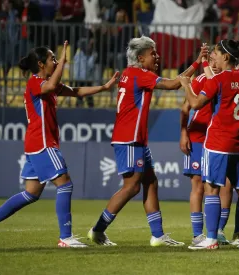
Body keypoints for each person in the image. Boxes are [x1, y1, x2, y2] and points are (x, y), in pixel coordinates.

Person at [0, 41, 119, 247]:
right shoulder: (35, 82)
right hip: (42, 143)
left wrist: (104, 87)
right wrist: (63, 62)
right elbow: (51, 85)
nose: (55, 61)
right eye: (52, 58)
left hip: (36, 144)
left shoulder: (48, 85)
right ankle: (65, 237)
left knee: (31, 193)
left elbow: (76, 91)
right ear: (41, 64)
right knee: (65, 183)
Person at [87, 36, 206, 247]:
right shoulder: (141, 74)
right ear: (141, 58)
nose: (157, 56)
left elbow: (176, 82)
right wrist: (197, 63)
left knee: (150, 181)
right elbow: (173, 84)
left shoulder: (129, 73)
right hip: (130, 139)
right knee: (132, 187)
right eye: (153, 53)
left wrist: (195, 65)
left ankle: (158, 235)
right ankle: (98, 230)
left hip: (135, 139)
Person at [181, 40, 239, 250]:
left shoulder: (219, 79)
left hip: (218, 142)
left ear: (226, 57)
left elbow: (195, 103)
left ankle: (210, 239)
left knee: (211, 189)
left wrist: (185, 84)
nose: (213, 57)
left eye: (216, 54)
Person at [180, 45, 227, 245]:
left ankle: (216, 232)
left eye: (217, 57)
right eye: (212, 58)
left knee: (222, 186)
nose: (215, 61)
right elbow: (186, 107)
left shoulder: (227, 80)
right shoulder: (200, 80)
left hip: (219, 139)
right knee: (198, 185)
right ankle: (197, 234)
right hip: (198, 137)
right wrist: (183, 133)